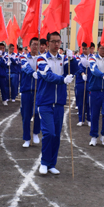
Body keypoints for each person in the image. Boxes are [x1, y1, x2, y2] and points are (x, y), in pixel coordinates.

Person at [36, 31, 73, 174]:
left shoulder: (63, 59)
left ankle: (52, 163)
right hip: (45, 102)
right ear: (47, 43)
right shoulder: (41, 59)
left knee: (57, 135)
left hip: (59, 103)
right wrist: (62, 80)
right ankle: (44, 162)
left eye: (59, 41)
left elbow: (74, 69)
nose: (57, 44)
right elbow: (47, 75)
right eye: (53, 41)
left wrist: (72, 59)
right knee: (49, 133)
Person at [20, 37, 41, 147]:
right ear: (29, 45)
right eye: (33, 44)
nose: (35, 46)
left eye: (37, 44)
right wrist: (32, 72)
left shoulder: (41, 58)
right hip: (26, 89)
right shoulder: (24, 57)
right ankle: (26, 138)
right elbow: (25, 67)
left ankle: (36, 133)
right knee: (26, 115)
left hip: (39, 90)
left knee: (38, 112)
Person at [75, 42, 91, 126]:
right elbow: (78, 67)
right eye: (83, 48)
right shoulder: (78, 57)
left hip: (89, 82)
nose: (84, 50)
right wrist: (82, 74)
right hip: (80, 82)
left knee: (89, 101)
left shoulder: (92, 58)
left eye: (86, 48)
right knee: (81, 101)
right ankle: (81, 119)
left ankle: (89, 119)